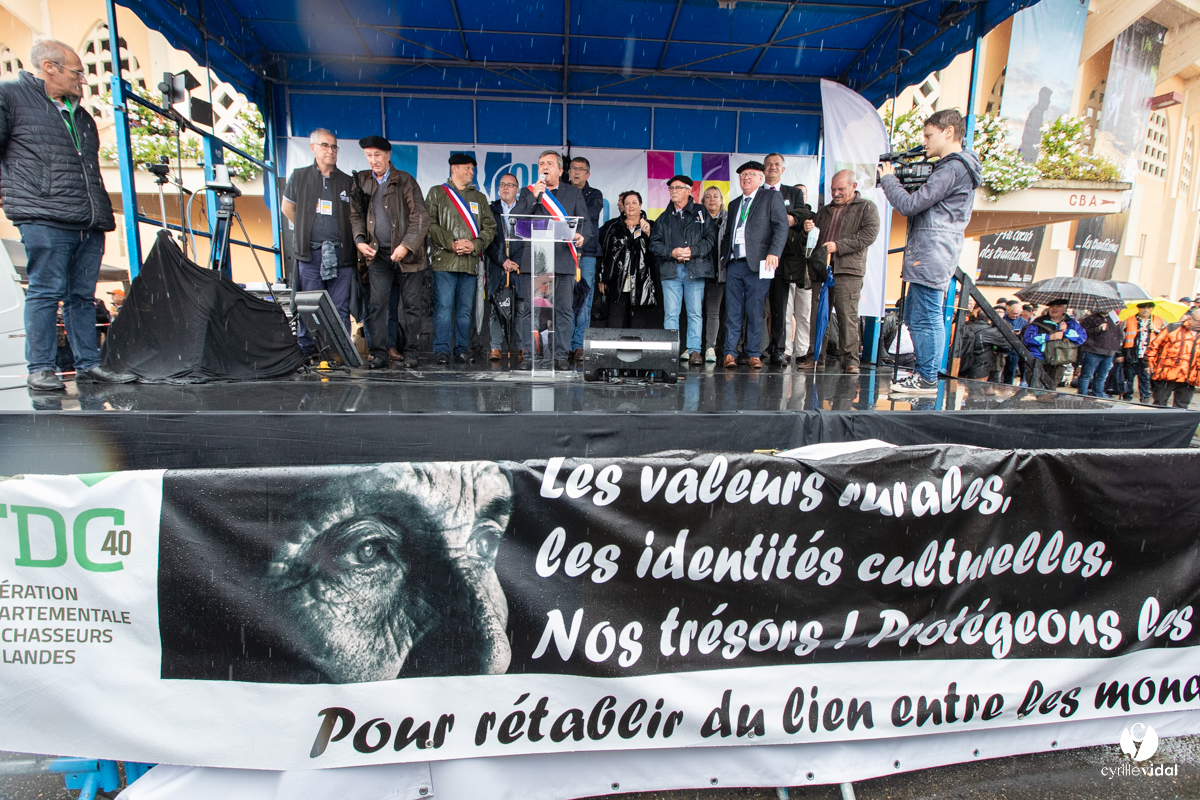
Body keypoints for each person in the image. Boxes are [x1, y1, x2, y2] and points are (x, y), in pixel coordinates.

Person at [1, 39, 135, 390]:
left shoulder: (81, 115)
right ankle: (41, 368)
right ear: (49, 67)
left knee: (82, 295)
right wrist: (14, 195)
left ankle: (89, 364)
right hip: (43, 214)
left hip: (88, 218)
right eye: (77, 71)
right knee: (45, 292)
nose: (83, 80)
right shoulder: (11, 97)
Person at [880, 109, 983, 394]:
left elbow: (911, 205)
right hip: (933, 247)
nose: (925, 142)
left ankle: (926, 378)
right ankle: (925, 375)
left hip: (932, 249)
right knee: (917, 315)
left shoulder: (953, 167)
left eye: (929, 135)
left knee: (926, 317)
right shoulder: (956, 167)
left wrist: (890, 180)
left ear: (949, 131)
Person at [349, 135, 430, 370]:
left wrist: (406, 246)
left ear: (388, 156)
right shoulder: (361, 181)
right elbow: (355, 215)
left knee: (412, 305)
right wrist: (359, 240)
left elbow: (420, 217)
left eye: (377, 155)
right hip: (377, 255)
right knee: (378, 305)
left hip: (409, 256)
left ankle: (412, 353)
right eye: (369, 156)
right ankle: (379, 353)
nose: (373, 160)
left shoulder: (405, 180)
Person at [509, 150, 591, 370]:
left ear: (560, 170)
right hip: (533, 261)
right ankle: (529, 355)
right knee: (530, 310)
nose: (544, 167)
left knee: (563, 310)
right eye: (540, 164)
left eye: (549, 164)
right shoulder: (529, 193)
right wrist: (534, 197)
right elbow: (514, 219)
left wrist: (582, 235)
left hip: (563, 260)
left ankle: (561, 355)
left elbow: (585, 223)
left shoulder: (573, 193)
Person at [282, 128, 356, 360]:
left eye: (334, 147)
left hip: (341, 255)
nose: (331, 151)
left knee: (339, 307)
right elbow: (287, 208)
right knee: (309, 305)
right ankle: (307, 351)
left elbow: (355, 216)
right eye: (325, 145)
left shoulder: (347, 181)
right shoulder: (300, 176)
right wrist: (306, 230)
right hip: (310, 254)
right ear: (313, 147)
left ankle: (339, 353)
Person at [799, 169, 880, 374]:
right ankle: (815, 357)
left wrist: (839, 246)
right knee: (818, 316)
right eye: (833, 189)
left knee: (847, 317)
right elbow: (812, 242)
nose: (836, 193)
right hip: (822, 270)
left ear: (854, 187)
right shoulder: (824, 211)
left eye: (841, 189)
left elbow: (868, 235)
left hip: (848, 271)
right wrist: (807, 230)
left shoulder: (867, 207)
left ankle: (851, 361)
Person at [426, 153, 496, 365]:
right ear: (454, 169)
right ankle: (441, 350)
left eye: (473, 169)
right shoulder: (437, 193)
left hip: (469, 264)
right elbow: (430, 224)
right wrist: (451, 243)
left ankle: (461, 349)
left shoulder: (479, 198)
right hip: (444, 262)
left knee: (465, 311)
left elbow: (489, 227)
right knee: (444, 308)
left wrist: (473, 245)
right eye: (467, 168)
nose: (471, 172)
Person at [720, 161, 788, 370]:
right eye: (742, 176)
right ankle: (730, 353)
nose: (746, 178)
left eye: (751, 175)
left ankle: (753, 353)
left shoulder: (770, 197)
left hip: (759, 264)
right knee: (732, 311)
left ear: (760, 178)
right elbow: (729, 233)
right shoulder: (734, 204)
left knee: (755, 310)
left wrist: (774, 252)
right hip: (735, 263)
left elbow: (781, 226)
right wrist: (724, 257)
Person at [650, 175, 717, 365]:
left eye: (677, 188)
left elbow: (710, 238)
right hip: (671, 271)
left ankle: (695, 351)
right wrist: (672, 252)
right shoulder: (663, 217)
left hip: (694, 270)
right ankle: (671, 351)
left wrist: (692, 251)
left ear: (689, 190)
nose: (673, 191)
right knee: (671, 313)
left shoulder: (701, 212)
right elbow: (654, 244)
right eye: (671, 188)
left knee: (695, 312)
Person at [762, 154, 814, 366]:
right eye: (769, 165)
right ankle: (753, 350)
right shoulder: (756, 191)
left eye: (777, 165)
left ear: (783, 169)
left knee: (780, 308)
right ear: (763, 170)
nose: (772, 168)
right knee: (756, 307)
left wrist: (793, 218)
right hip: (758, 259)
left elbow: (805, 213)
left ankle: (778, 349)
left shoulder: (793, 193)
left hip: (782, 259)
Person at [597, 191, 656, 329]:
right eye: (627, 203)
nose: (631, 206)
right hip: (617, 279)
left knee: (638, 316)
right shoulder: (612, 227)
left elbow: (656, 254)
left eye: (634, 202)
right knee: (615, 315)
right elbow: (605, 253)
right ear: (623, 206)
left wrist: (648, 234)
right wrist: (602, 278)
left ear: (640, 205)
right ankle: (614, 349)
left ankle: (636, 350)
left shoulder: (651, 226)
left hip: (641, 279)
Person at [485, 174, 528, 362]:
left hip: (518, 267)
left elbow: (529, 240)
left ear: (517, 189)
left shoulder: (525, 209)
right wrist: (503, 260)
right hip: (497, 267)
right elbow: (488, 241)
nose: (506, 188)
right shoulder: (491, 210)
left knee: (520, 308)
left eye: (510, 185)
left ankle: (522, 347)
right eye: (502, 185)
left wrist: (515, 261)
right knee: (497, 307)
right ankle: (495, 347)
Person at [567, 157, 603, 361]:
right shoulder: (561, 191)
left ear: (588, 174)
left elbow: (586, 217)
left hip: (586, 253)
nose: (577, 172)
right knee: (565, 299)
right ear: (568, 172)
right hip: (564, 251)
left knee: (584, 299)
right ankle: (565, 343)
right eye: (574, 169)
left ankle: (579, 343)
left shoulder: (594, 195)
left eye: (581, 169)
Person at [1022, 298, 1086, 389]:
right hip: (1038, 359)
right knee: (1034, 388)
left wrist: (1066, 331)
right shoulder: (1038, 322)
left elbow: (1081, 338)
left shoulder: (1072, 323)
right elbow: (1027, 339)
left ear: (1065, 308)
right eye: (1051, 306)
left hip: (1059, 360)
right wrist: (1049, 337)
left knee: (1051, 389)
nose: (1054, 308)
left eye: (1058, 306)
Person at [1146, 308, 1200, 408]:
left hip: (1189, 378)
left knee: (1182, 407)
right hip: (1166, 375)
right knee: (1159, 404)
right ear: (1190, 318)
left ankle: (1175, 423)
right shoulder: (1173, 328)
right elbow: (1154, 347)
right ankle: (1157, 423)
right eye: (1198, 321)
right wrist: (1150, 364)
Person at [701, 186, 728, 363]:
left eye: (715, 196)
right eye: (708, 197)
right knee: (694, 312)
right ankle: (693, 347)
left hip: (718, 274)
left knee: (713, 312)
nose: (712, 200)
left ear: (721, 200)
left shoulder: (728, 219)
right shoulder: (698, 219)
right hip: (698, 273)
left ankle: (711, 347)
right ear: (703, 201)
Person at [1120, 302, 1163, 402]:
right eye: (1143, 308)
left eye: (1148, 308)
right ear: (1138, 309)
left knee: (1145, 379)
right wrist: (1120, 354)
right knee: (1128, 379)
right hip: (1131, 354)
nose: (1145, 310)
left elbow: (1165, 338)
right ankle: (1126, 398)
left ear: (1152, 309)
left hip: (1148, 356)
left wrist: (1156, 330)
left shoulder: (1159, 321)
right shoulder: (1129, 320)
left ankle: (1144, 399)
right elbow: (1121, 338)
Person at [1077, 308, 1123, 398]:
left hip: (1109, 352)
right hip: (1092, 351)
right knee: (1087, 375)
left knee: (1101, 376)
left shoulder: (1114, 318)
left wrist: (1117, 348)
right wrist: (1097, 329)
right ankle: (1082, 395)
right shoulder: (1089, 319)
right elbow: (1082, 334)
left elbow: (1118, 334)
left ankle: (1098, 394)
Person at [1000, 300, 1027, 384]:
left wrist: (1020, 333)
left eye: (1017, 314)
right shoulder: (1003, 318)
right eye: (1013, 313)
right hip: (1003, 346)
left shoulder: (1022, 321)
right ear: (1008, 310)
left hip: (1015, 347)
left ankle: (1008, 386)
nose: (1015, 316)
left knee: (1011, 369)